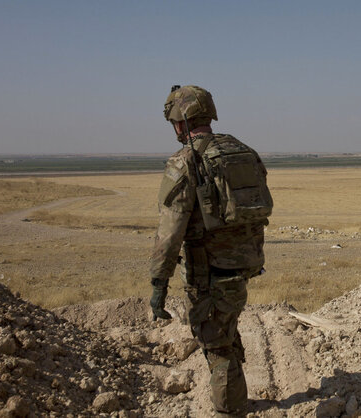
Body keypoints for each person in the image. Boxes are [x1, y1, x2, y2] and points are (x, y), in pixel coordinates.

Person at [149, 85, 273, 417]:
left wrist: (158, 283)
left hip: (208, 273)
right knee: (225, 332)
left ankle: (229, 411)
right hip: (241, 268)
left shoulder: (186, 160)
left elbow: (170, 231)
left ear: (180, 121)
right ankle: (236, 398)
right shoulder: (242, 151)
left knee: (217, 347)